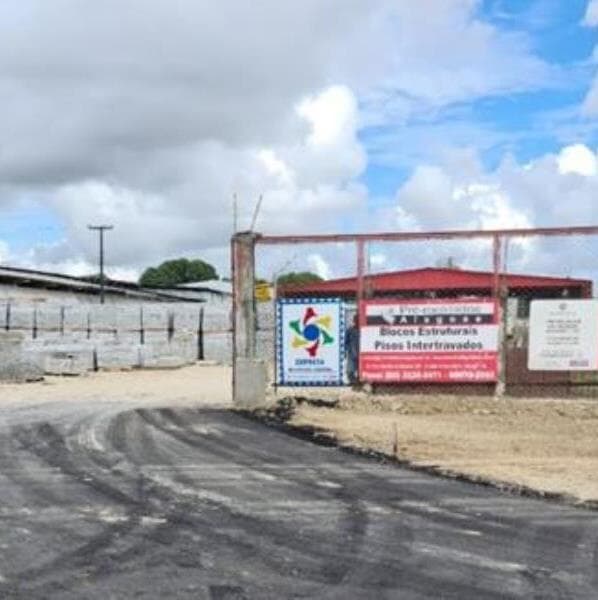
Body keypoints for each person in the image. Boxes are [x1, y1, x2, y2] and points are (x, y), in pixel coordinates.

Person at [344, 314, 360, 385]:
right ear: (354, 321)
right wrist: (347, 350)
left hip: (361, 353)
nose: (357, 321)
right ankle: (352, 381)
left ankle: (358, 381)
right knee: (350, 370)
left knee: (360, 369)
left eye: (358, 320)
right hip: (352, 353)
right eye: (356, 320)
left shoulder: (363, 330)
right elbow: (346, 342)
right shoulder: (350, 330)